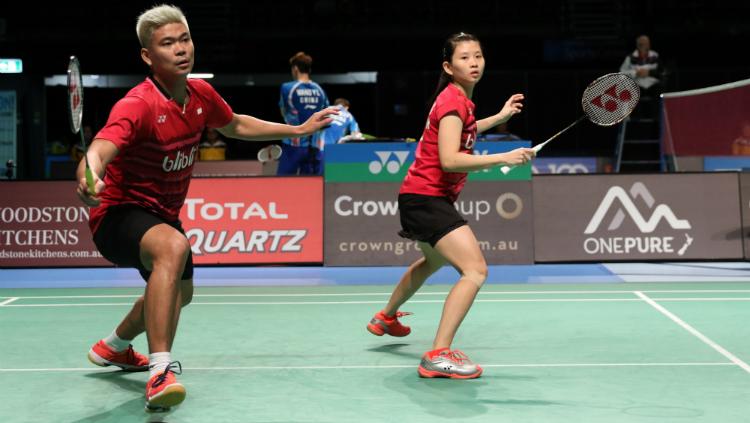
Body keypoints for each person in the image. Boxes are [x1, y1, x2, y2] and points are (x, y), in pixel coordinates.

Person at [75, 5, 336, 412]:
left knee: (181, 293)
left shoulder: (200, 95)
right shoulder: (138, 105)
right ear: (148, 56)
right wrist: (89, 172)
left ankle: (114, 347)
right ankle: (160, 372)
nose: (181, 49)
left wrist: (297, 130)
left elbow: (235, 124)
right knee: (172, 248)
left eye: (184, 39)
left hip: (161, 214)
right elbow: (101, 148)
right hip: (118, 214)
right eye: (167, 44)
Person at [365, 32, 535, 379]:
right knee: (475, 270)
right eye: (464, 58)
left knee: (432, 261)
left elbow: (465, 130)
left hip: (421, 196)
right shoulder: (454, 102)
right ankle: (438, 354)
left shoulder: (458, 101)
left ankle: (385, 317)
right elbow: (450, 160)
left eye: (478, 56)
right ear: (448, 65)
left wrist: (499, 117)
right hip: (427, 197)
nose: (473, 63)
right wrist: (505, 156)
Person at [277, 52, 330, 175]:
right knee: (311, 187)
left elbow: (283, 112)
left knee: (282, 185)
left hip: (292, 145)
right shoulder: (320, 90)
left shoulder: (287, 88)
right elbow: (326, 116)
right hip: (314, 148)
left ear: (295, 68)